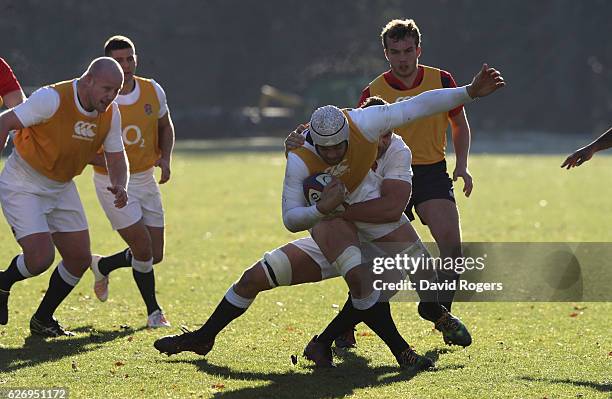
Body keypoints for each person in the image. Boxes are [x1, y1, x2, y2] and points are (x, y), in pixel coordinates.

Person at [154, 65, 504, 369]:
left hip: (370, 222)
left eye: (340, 147)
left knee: (405, 276)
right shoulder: (299, 157)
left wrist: (470, 93)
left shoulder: (369, 125)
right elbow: (291, 218)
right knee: (255, 278)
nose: (334, 153)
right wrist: (322, 210)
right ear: (313, 142)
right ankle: (204, 337)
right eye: (327, 149)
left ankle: (346, 342)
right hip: (333, 226)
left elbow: (419, 105)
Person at [346, 18, 474, 347]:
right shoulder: (373, 91)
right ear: (386, 53)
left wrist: (462, 165)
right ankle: (344, 326)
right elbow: (359, 137)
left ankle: (443, 316)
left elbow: (459, 123)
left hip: (430, 173)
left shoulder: (441, 79)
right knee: (373, 262)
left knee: (453, 249)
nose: (403, 58)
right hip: (386, 175)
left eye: (408, 51)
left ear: (419, 49)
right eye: (395, 52)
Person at [0, 57, 128, 337]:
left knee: (79, 258)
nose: (111, 96)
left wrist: (121, 184)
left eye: (116, 90)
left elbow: (117, 156)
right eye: (107, 88)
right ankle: (3, 281)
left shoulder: (111, 113)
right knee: (40, 259)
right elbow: (4, 121)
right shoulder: (51, 99)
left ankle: (43, 319)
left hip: (61, 186)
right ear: (88, 80)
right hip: (24, 182)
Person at [88, 35, 175, 328]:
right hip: (111, 183)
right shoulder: (99, 97)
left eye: (129, 58)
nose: (125, 65)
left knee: (155, 254)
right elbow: (85, 148)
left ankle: (103, 265)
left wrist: (165, 158)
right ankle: (154, 313)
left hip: (145, 179)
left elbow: (166, 126)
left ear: (136, 59)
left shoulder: (152, 89)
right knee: (143, 249)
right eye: (119, 60)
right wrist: (115, 166)